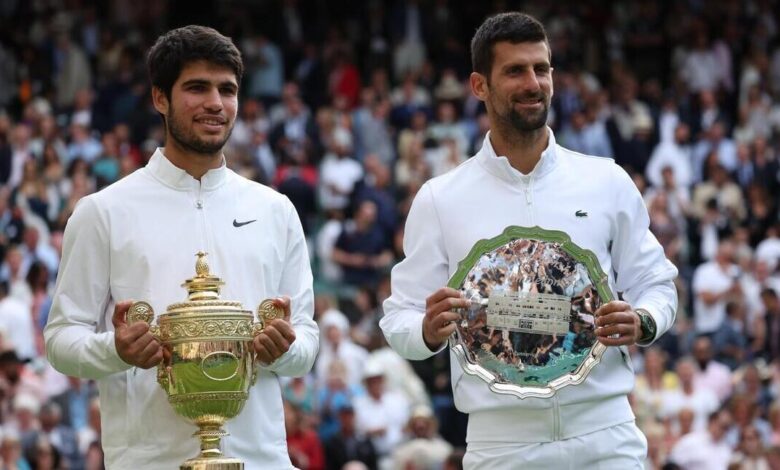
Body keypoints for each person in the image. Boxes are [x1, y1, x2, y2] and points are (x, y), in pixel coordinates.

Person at [380, 12, 678, 469]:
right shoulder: (439, 199)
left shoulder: (607, 180)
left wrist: (644, 320)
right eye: (515, 71)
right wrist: (425, 329)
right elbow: (399, 316)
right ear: (480, 86)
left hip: (606, 435)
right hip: (501, 444)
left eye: (542, 69)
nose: (533, 83)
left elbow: (657, 283)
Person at [43, 25, 319, 469]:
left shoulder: (275, 210)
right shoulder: (103, 211)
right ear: (160, 98)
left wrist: (285, 348)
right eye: (197, 87)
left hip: (261, 459)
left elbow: (306, 340)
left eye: (226, 90)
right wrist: (117, 350)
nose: (215, 103)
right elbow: (60, 340)